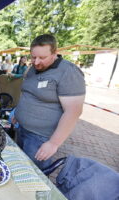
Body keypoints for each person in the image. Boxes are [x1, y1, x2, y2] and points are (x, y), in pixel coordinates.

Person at [13, 34, 85, 170]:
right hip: (21, 129)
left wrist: (53, 143)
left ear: (55, 53)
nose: (36, 62)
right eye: (33, 57)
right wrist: (18, 113)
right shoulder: (33, 68)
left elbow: (73, 111)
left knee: (33, 178)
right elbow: (27, 93)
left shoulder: (68, 72)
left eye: (42, 58)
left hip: (39, 138)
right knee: (19, 169)